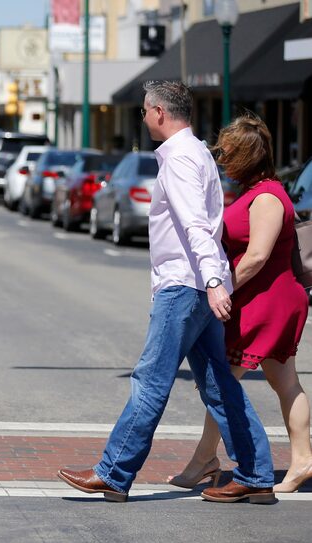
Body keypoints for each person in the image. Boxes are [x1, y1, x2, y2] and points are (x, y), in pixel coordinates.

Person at [57, 80, 275, 503]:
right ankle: (256, 472)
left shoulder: (178, 159)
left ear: (159, 112)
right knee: (217, 384)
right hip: (195, 285)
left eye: (143, 111)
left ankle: (113, 472)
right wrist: (213, 280)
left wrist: (214, 281)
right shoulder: (196, 154)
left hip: (184, 285)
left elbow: (196, 223)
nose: (143, 118)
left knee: (151, 381)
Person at [167, 115, 312, 494]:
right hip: (263, 299)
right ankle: (300, 460)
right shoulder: (258, 191)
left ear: (248, 157)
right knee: (281, 382)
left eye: (229, 155)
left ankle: (207, 460)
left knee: (224, 383)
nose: (222, 161)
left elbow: (257, 256)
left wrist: (220, 287)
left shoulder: (266, 197)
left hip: (268, 302)